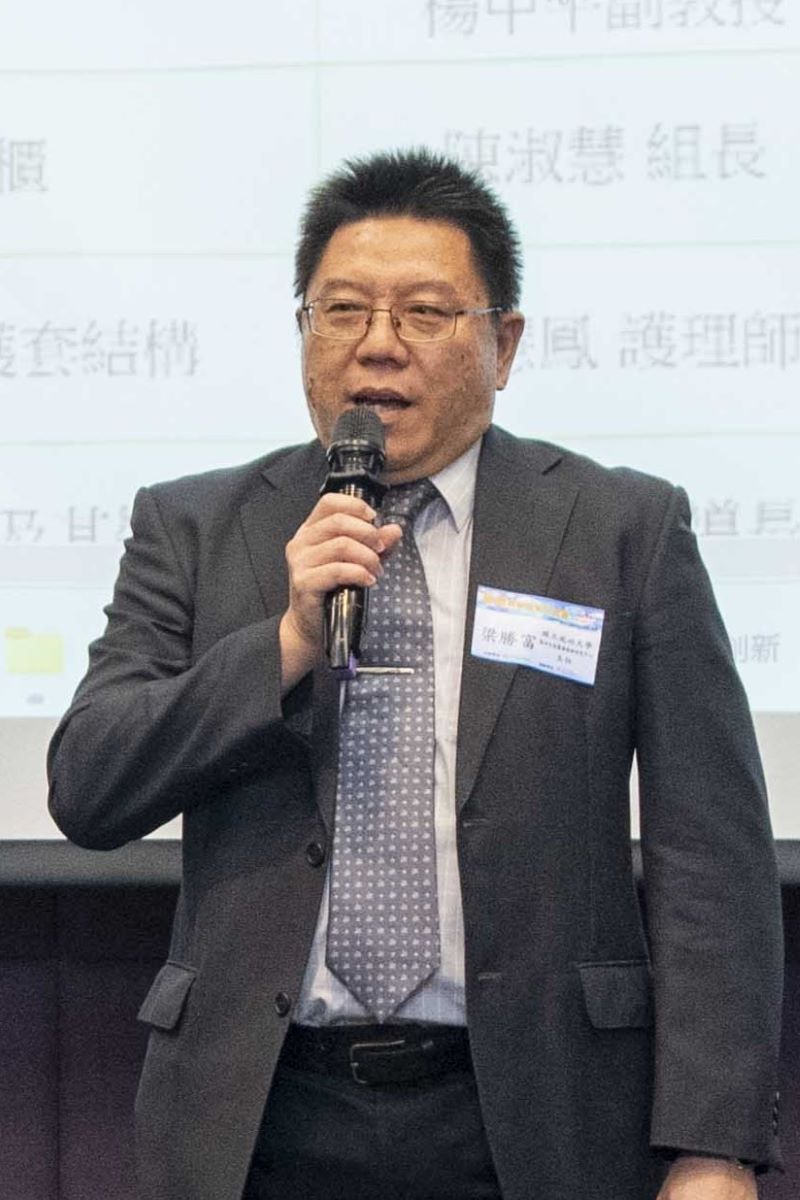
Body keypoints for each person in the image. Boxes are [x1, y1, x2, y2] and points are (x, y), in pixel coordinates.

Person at [47, 149, 783, 1200]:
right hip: (259, 1114)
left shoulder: (620, 528)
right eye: (342, 310)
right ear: (303, 331)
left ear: (503, 343)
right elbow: (89, 785)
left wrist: (713, 1144)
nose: (378, 345)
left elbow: (708, 852)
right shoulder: (195, 526)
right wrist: (284, 645)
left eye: (426, 313)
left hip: (535, 1109)